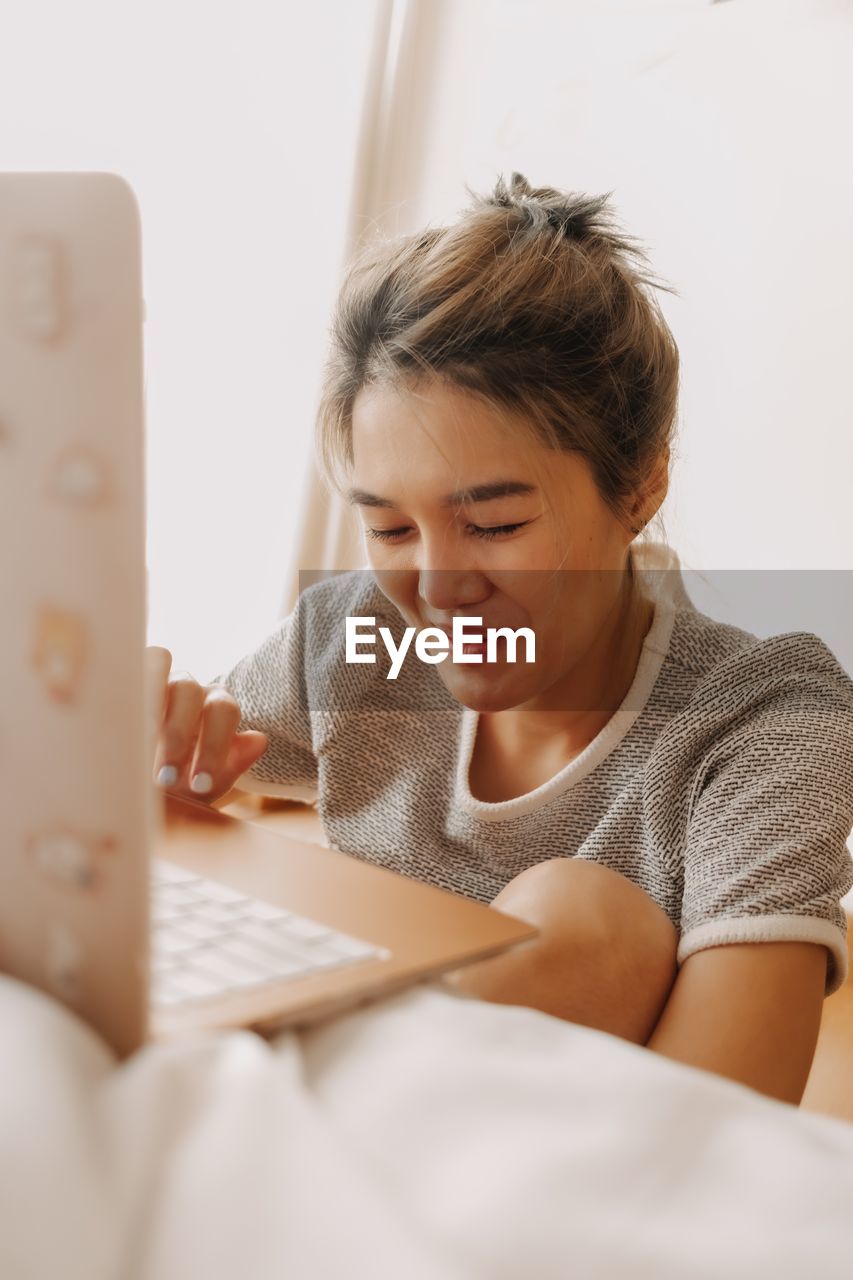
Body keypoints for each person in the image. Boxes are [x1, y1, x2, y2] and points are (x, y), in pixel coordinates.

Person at [147, 172, 853, 1106]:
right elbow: (187, 784)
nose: (436, 589)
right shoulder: (364, 640)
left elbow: (727, 1125)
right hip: (353, 1114)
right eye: (390, 529)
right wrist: (153, 754)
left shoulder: (759, 722)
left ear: (639, 484)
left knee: (586, 913)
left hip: (572, 1187)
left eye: (494, 525)